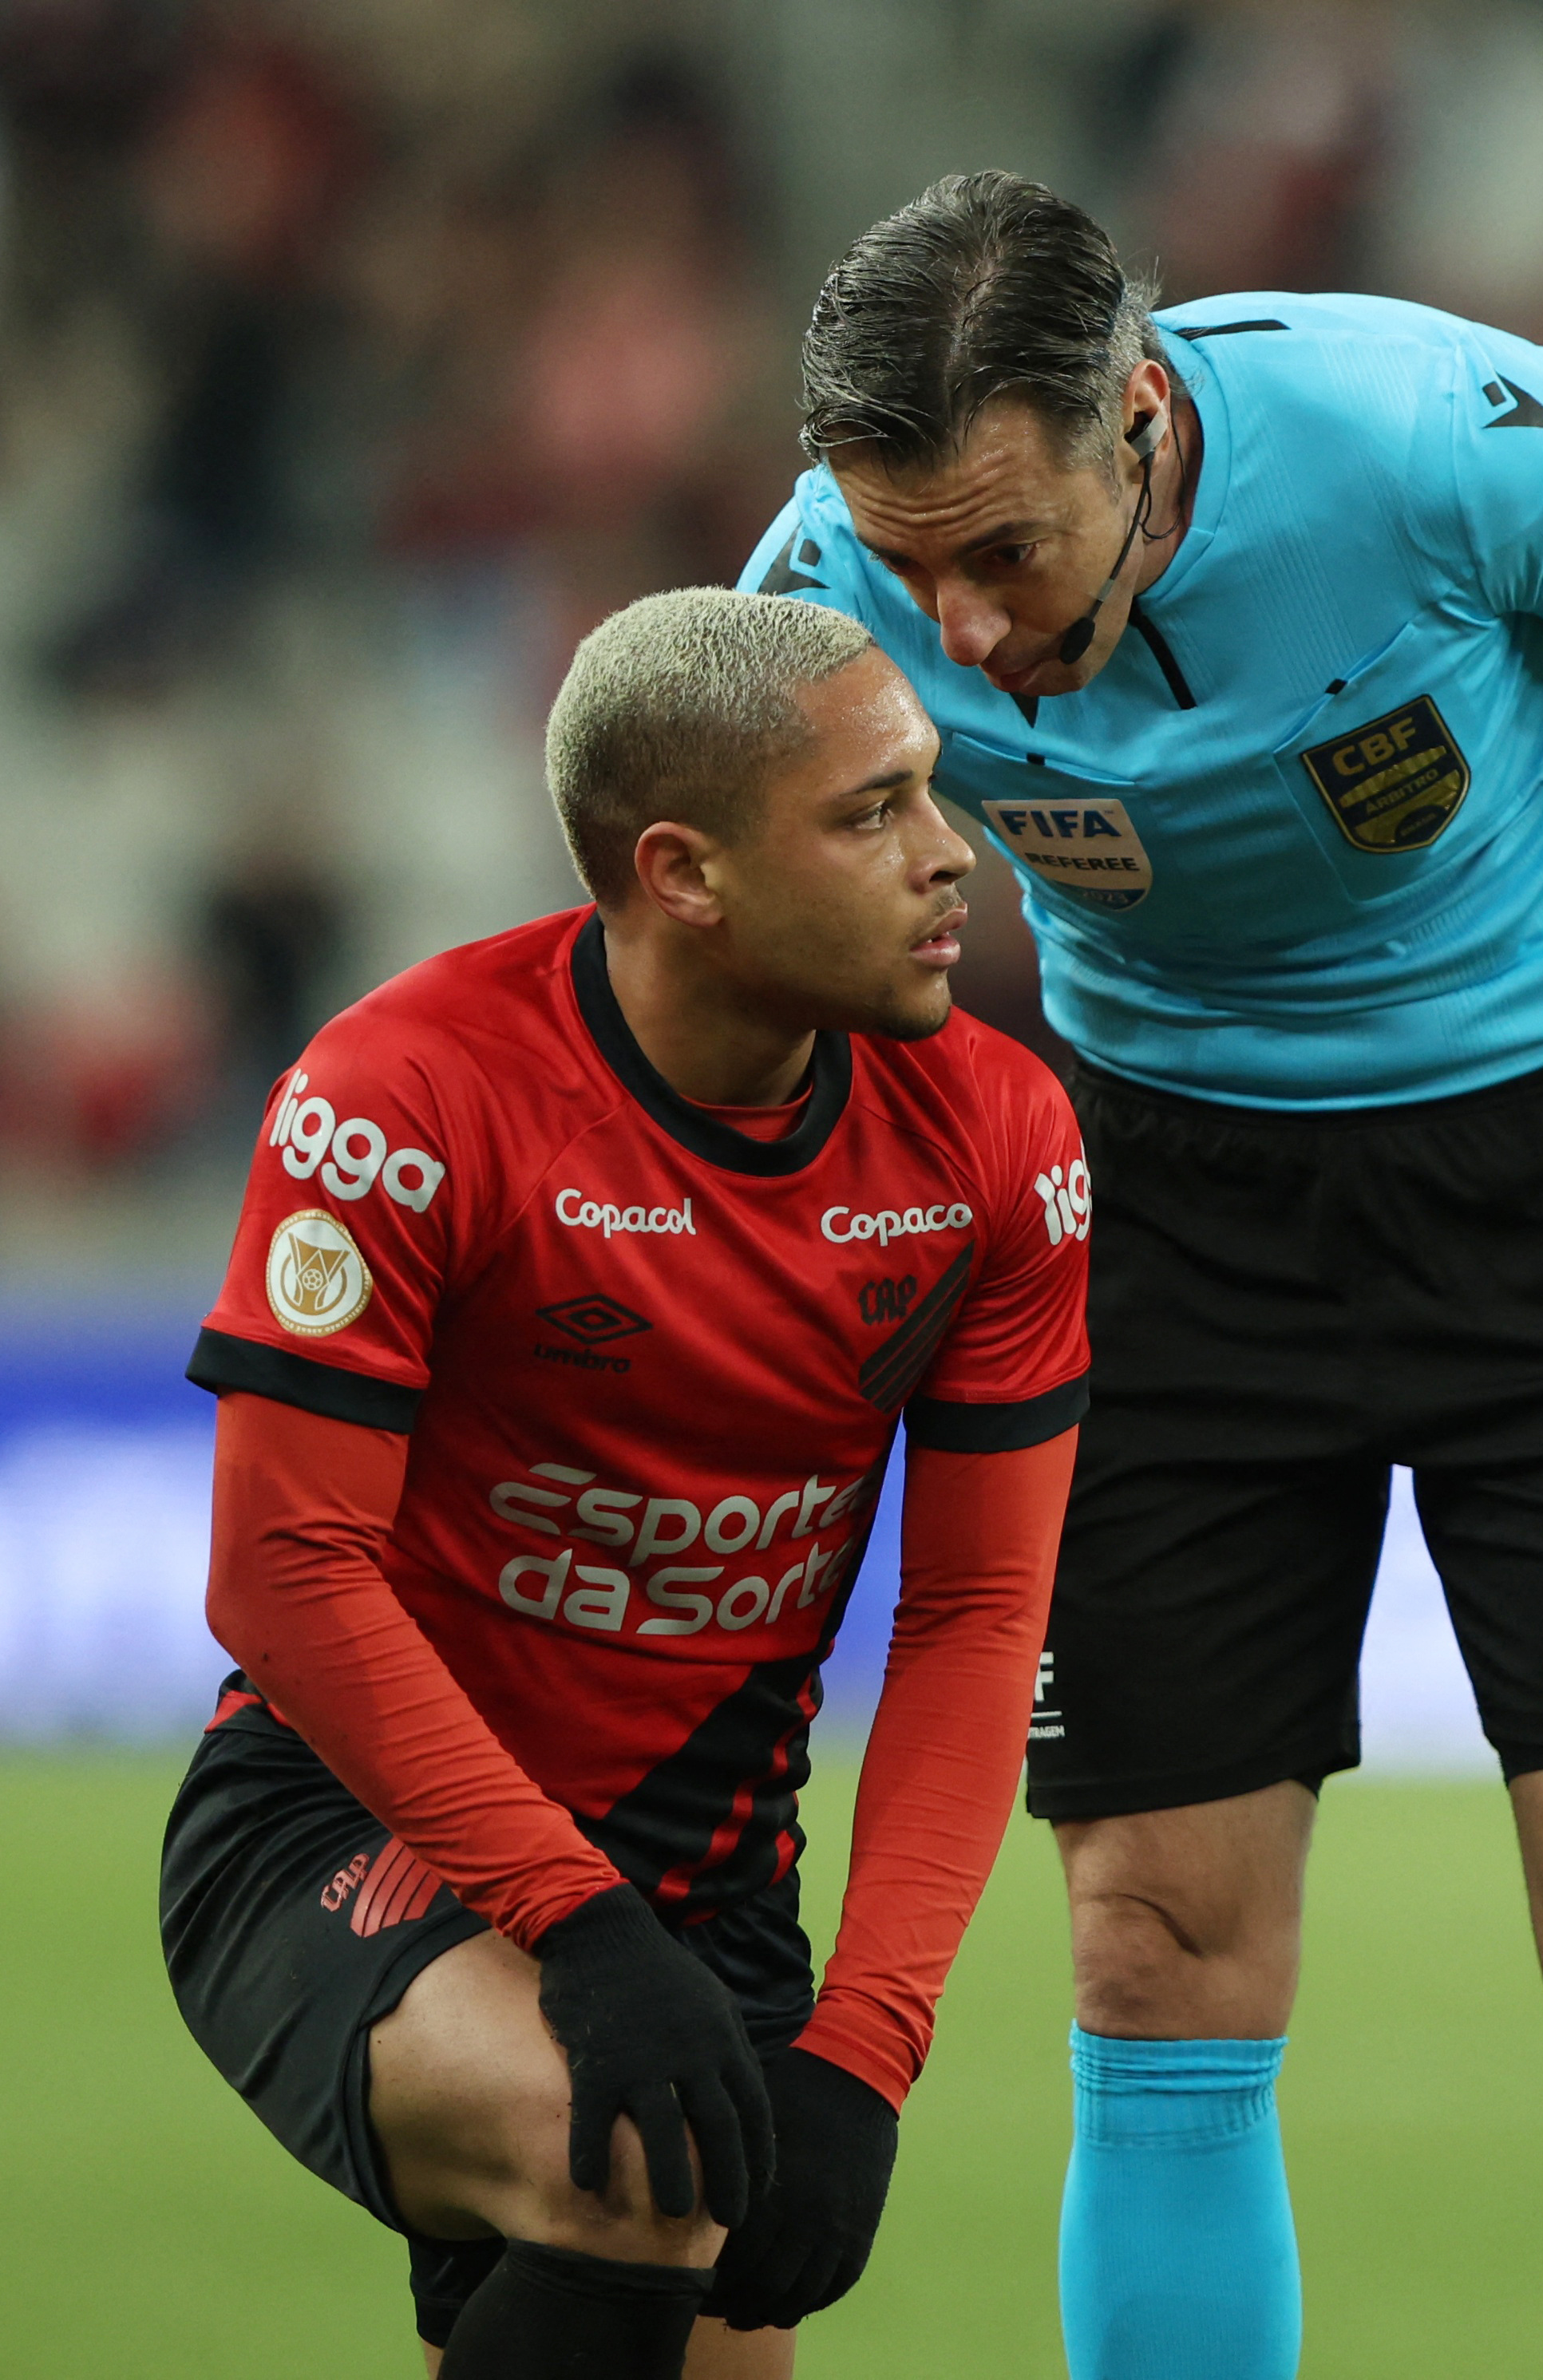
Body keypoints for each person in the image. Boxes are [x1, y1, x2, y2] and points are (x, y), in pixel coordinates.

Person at [744, 173, 1543, 2380]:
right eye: (910, 561)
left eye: (1002, 550)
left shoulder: (1422, 434)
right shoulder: (810, 603)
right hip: (1166, 1222)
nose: (955, 629)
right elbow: (721, 915)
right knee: (1154, 1947)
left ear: (1137, 414)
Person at [160, 588, 1092, 2378]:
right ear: (684, 874)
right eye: (870, 811)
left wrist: (864, 2050)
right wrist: (570, 1916)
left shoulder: (997, 1134)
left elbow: (979, 1615)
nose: (949, 854)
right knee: (635, 2178)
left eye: (931, 792)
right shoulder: (404, 1095)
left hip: (713, 1874)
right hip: (359, 1829)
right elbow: (285, 1572)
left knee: (671, 2261)